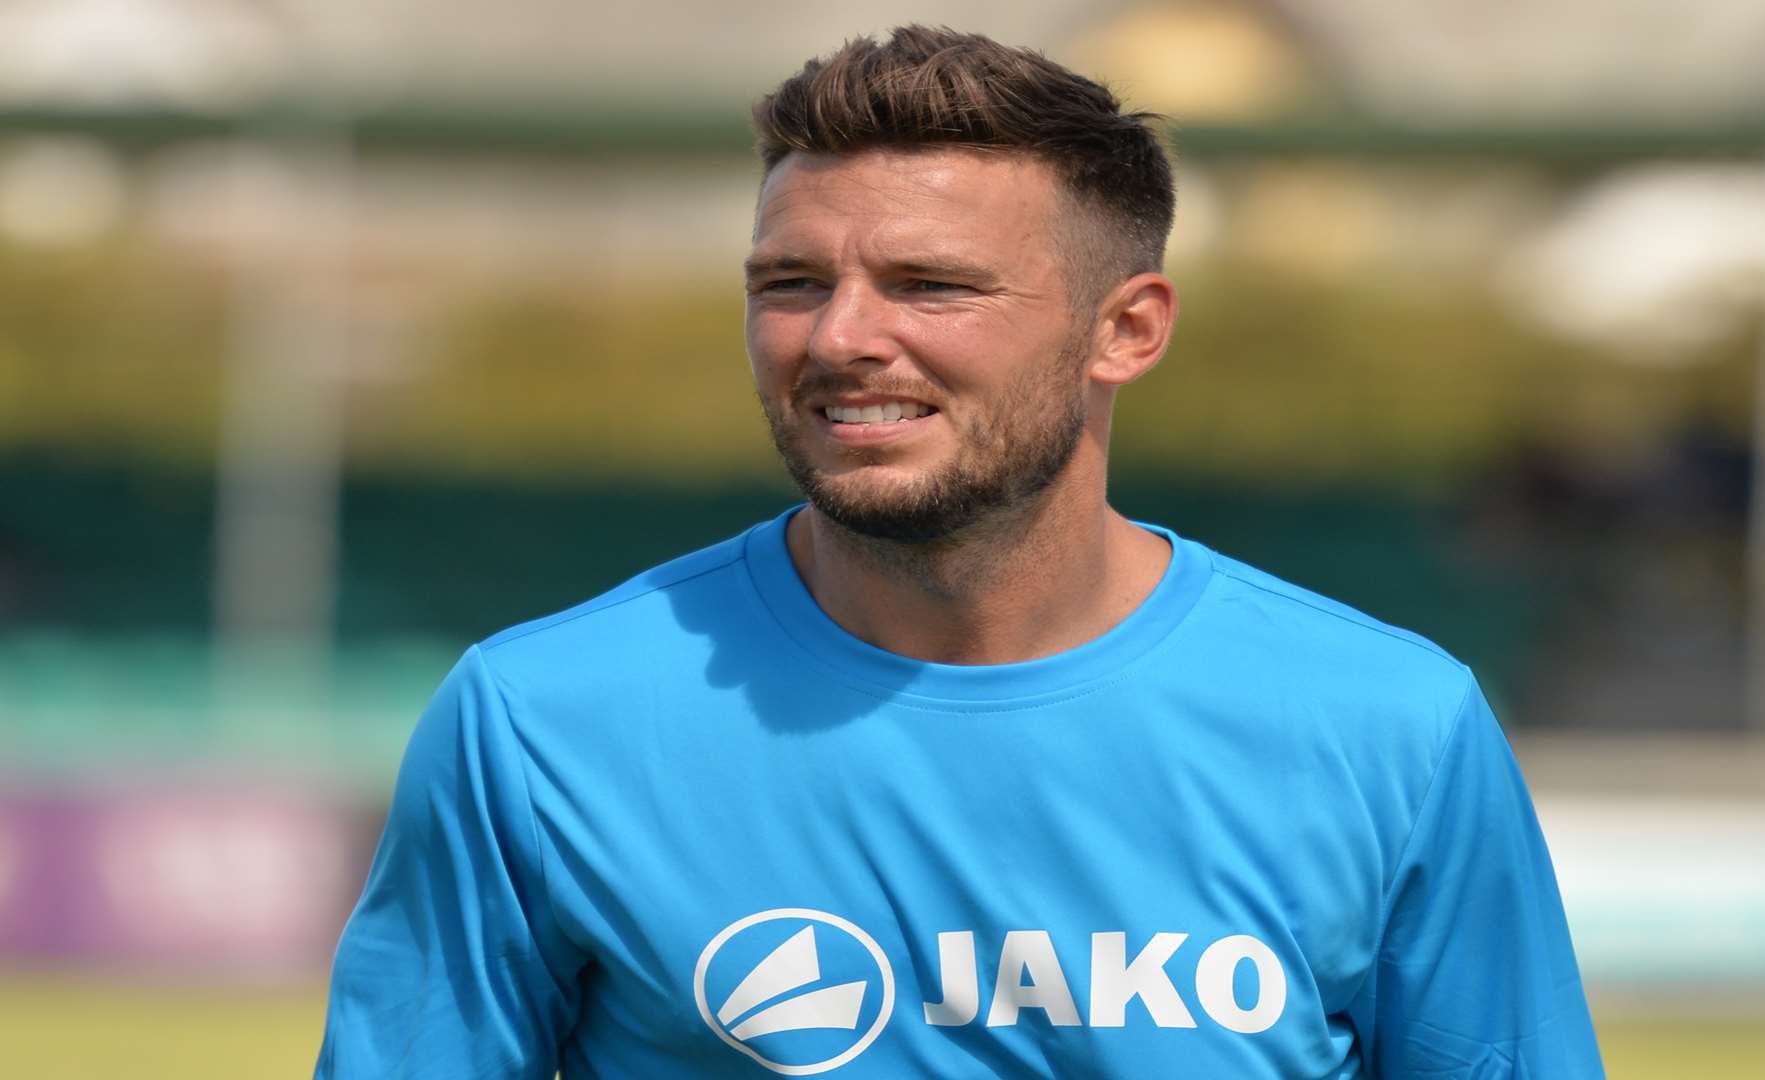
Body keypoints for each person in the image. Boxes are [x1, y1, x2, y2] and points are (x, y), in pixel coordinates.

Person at [315, 25, 1604, 1079]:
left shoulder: (1389, 724)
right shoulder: (540, 721)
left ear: (1128, 330)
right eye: (789, 283)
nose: (840, 339)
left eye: (932, 286)